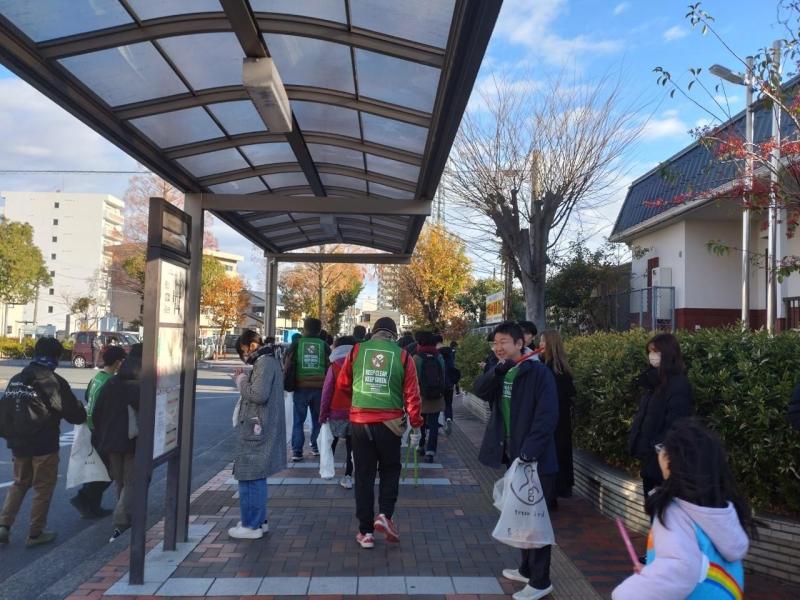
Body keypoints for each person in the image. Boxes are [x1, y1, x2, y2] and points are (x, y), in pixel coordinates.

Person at [612, 418, 751, 600]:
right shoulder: (720, 510)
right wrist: (653, 572)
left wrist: (624, 594)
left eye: (661, 448)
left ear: (672, 460)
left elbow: (679, 570)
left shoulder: (674, 512)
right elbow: (697, 564)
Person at [474, 322, 558, 600]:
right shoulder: (502, 370)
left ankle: (541, 580)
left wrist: (529, 452)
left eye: (504, 342)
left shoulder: (538, 372)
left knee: (535, 519)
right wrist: (497, 371)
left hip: (535, 459)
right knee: (519, 514)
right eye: (495, 343)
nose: (498, 348)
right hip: (514, 455)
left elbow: (547, 416)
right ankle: (525, 568)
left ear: (520, 343)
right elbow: (479, 390)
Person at [331, 317, 423, 549]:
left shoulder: (357, 351)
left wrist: (348, 408)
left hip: (360, 422)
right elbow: (412, 394)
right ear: (394, 333)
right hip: (390, 424)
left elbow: (342, 384)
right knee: (390, 469)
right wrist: (416, 422)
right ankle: (385, 514)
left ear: (373, 332)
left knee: (363, 475)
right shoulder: (403, 356)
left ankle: (365, 533)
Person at [0, 337, 86, 547]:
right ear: (55, 357)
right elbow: (74, 414)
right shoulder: (52, 381)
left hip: (19, 443)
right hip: (44, 443)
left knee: (19, 483)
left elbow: (5, 411)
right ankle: (35, 533)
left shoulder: (17, 379)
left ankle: (4, 525)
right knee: (43, 487)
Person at [228, 331, 286, 540]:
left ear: (251, 345)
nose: (244, 357)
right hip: (261, 425)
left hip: (257, 426)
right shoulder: (271, 360)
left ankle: (251, 524)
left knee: (250, 474)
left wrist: (241, 380)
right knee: (255, 474)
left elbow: (258, 395)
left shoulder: (264, 363)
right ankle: (258, 521)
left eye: (243, 351)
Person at [629, 333, 694, 505]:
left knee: (663, 513)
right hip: (650, 460)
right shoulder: (653, 382)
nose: (652, 356)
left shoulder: (678, 385)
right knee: (654, 511)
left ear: (667, 353)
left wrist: (656, 449)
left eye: (656, 351)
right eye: (650, 352)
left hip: (664, 462)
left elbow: (676, 424)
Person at [92, 344, 142, 542]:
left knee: (120, 480)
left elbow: (97, 412)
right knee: (131, 481)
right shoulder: (140, 386)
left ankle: (125, 514)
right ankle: (121, 520)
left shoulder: (111, 383)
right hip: (132, 440)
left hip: (110, 441)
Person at [70, 345, 127, 519]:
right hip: (101, 431)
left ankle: (91, 505)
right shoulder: (110, 382)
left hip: (92, 429)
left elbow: (88, 397)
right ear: (118, 363)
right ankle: (84, 498)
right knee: (108, 472)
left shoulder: (97, 378)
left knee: (100, 469)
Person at [284, 318, 330, 462]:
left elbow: (287, 362)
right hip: (319, 388)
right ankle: (316, 447)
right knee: (318, 420)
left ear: (304, 329)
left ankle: (297, 451)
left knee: (298, 420)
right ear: (319, 330)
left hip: (300, 387)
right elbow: (330, 366)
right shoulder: (324, 345)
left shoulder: (297, 344)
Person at [539, 330, 576, 500]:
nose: (540, 346)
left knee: (553, 455)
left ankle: (553, 492)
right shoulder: (561, 368)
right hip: (560, 421)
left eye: (543, 342)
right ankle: (557, 490)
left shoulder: (551, 370)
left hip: (554, 421)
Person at [319, 336, 356, 489]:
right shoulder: (359, 365)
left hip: (336, 412)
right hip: (356, 413)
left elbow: (327, 392)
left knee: (330, 441)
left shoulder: (334, 366)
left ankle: (328, 470)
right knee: (351, 446)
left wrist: (323, 414)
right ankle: (348, 475)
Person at [414, 332, 446, 462]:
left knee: (421, 422)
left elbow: (412, 378)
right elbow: (443, 376)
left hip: (421, 396)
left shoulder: (416, 357)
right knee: (433, 424)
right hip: (436, 396)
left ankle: (421, 445)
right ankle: (431, 451)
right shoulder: (439, 357)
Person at [437, 336, 460, 435]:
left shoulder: (436, 354)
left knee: (437, 405)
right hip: (450, 384)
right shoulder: (450, 352)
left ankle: (438, 423)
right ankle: (449, 418)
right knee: (448, 404)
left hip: (439, 384)